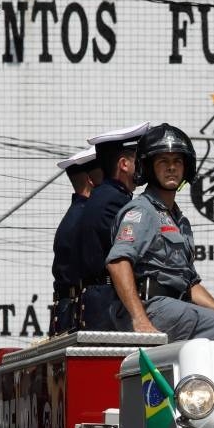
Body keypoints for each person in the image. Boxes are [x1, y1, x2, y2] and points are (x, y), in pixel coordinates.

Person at [106, 123, 214, 341]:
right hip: (154, 308)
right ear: (149, 167)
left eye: (177, 161)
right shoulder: (142, 210)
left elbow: (190, 285)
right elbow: (118, 262)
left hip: (178, 307)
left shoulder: (179, 220)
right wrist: (140, 319)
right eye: (163, 161)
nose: (172, 168)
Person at [77, 122, 150, 331]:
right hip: (109, 303)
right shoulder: (115, 202)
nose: (144, 167)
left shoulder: (107, 195)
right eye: (140, 161)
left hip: (102, 299)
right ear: (124, 165)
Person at [50, 147, 102, 336]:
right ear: (91, 179)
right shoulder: (87, 219)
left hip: (69, 310)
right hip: (78, 313)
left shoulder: (75, 215)